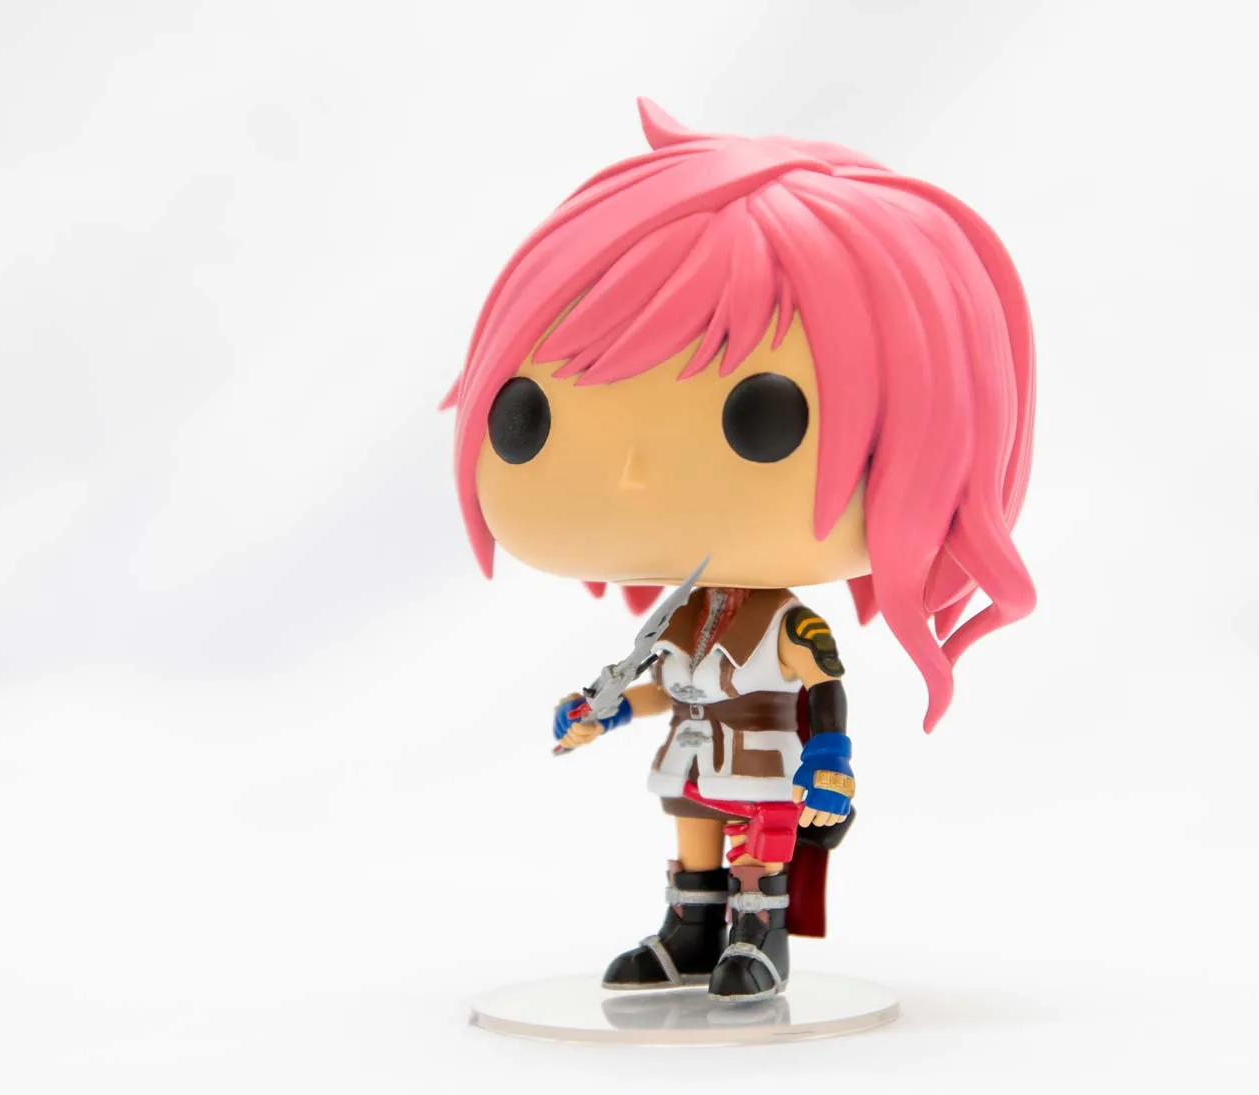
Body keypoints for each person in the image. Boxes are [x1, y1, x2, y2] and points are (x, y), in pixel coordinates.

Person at [442, 98, 1036, 1003]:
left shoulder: (789, 626)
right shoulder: (684, 617)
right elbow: (668, 681)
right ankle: (690, 929)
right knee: (690, 830)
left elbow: (821, 687)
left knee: (759, 848)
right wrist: (607, 710)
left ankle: (759, 934)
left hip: (763, 764)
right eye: (530, 414)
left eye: (760, 417)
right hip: (695, 752)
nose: (634, 472)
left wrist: (829, 758)